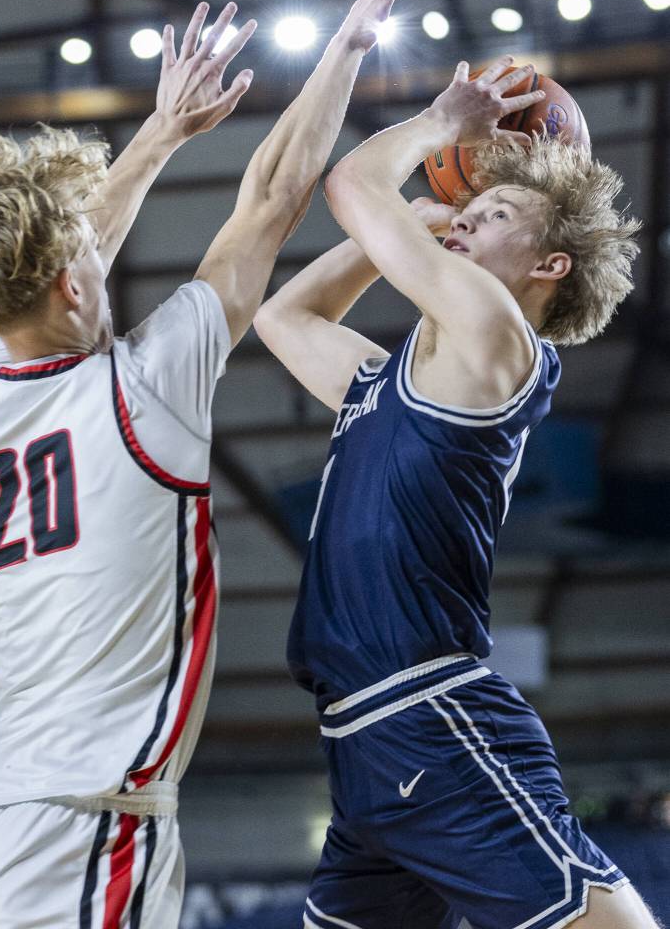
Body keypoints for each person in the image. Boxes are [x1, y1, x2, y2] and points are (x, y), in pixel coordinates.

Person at [0, 0, 431, 929]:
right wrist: (350, 44)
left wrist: (162, 133)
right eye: (85, 251)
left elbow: (64, 247)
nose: (103, 244)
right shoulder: (144, 393)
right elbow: (271, 198)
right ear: (68, 281)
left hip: (0, 830)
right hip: (88, 830)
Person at [254, 59, 656, 929]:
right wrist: (404, 229)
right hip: (362, 741)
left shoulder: (496, 337)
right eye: (469, 209)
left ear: (550, 264)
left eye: (496, 213)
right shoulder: (388, 379)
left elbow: (354, 182)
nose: (468, 215)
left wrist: (444, 123)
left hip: (431, 712)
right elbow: (283, 319)